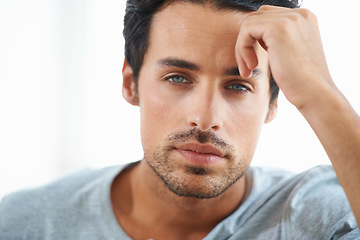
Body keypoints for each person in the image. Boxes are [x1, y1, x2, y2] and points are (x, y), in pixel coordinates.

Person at [1, 0, 360, 239]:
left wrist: (320, 92)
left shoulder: (324, 218)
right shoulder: (24, 223)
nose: (205, 119)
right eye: (177, 78)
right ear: (131, 84)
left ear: (271, 104)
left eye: (238, 85)